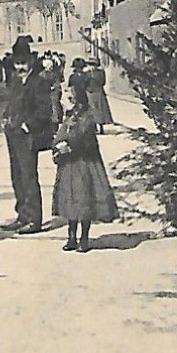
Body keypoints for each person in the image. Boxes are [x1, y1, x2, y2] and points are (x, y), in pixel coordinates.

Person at [52, 79, 118, 252]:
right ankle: (71, 236)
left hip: (83, 165)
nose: (63, 100)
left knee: (83, 200)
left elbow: (84, 139)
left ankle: (84, 238)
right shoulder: (68, 117)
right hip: (69, 166)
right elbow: (59, 135)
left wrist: (69, 146)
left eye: (67, 97)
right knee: (70, 202)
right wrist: (58, 146)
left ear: (76, 100)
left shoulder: (86, 117)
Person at [1, 37, 53, 234]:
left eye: (23, 63)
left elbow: (44, 110)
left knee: (29, 176)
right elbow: (12, 104)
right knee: (17, 176)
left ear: (31, 62)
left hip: (27, 136)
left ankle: (34, 219)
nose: (20, 67)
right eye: (17, 63)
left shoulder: (39, 82)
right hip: (13, 135)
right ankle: (22, 215)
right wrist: (5, 118)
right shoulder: (16, 82)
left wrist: (27, 125)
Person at [85, 57, 114, 133]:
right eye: (90, 64)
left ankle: (101, 128)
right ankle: (93, 128)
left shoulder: (101, 72)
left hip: (98, 92)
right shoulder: (86, 73)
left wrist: (93, 77)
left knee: (100, 110)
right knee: (91, 110)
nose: (92, 66)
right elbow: (84, 83)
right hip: (89, 92)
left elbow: (103, 82)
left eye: (93, 64)